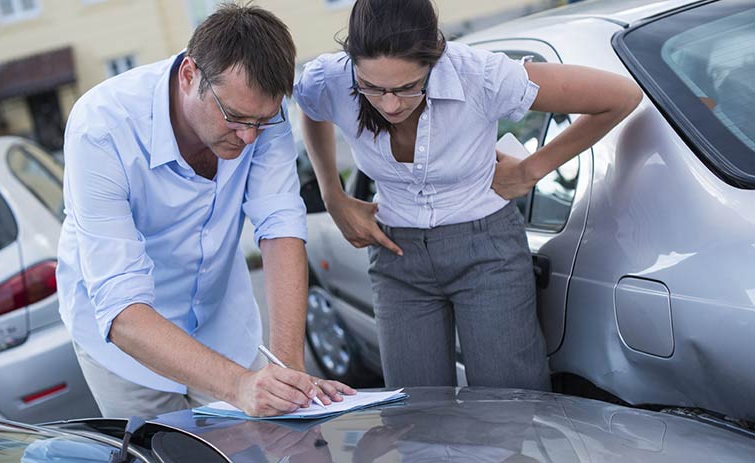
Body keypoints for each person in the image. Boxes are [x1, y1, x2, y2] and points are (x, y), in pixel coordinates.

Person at [294, 0, 642, 389]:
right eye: (373, 88)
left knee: (510, 408)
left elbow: (620, 96)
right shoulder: (330, 78)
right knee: (418, 415)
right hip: (397, 260)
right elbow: (311, 107)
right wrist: (332, 194)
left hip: (487, 254)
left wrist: (531, 169)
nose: (390, 104)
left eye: (407, 87)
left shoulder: (481, 75)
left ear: (434, 59)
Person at [57, 4, 354, 419]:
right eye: (234, 118)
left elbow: (281, 226)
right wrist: (239, 385)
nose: (249, 137)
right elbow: (121, 308)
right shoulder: (101, 128)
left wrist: (288, 371)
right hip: (127, 349)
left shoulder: (260, 115)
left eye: (261, 121)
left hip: (223, 324)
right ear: (188, 75)